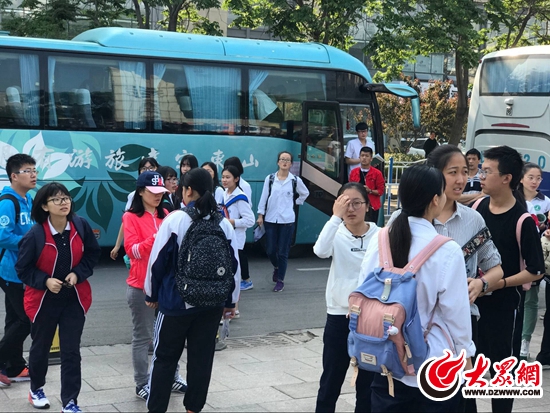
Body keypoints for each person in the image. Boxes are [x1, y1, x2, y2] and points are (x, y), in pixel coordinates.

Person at [361, 165, 475, 411]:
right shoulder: (446, 249)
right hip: (435, 366)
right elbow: (456, 313)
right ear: (435, 200)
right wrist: (466, 353)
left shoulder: (380, 239)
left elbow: (364, 290)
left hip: (387, 360)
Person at [144, 167, 240, 413]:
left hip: (176, 303)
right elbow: (234, 266)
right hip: (212, 304)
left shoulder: (176, 219)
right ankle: (193, 409)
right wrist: (230, 302)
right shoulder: (223, 224)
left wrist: (151, 295)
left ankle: (157, 409)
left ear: (187, 191)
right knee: (201, 360)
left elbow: (157, 261)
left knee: (164, 359)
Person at [15, 182, 101, 412]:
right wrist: (45, 281)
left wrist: (78, 273)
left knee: (71, 350)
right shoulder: (35, 234)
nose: (63, 203)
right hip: (43, 301)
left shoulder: (80, 225)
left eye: (66, 198)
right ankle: (36, 388)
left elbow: (92, 254)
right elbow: (22, 268)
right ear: (44, 206)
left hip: (74, 298)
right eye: (56, 199)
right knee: (41, 347)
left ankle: (70, 401)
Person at [473, 146, 545, 413]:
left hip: (505, 309)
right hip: (472, 305)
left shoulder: (523, 221)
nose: (480, 176)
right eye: (481, 170)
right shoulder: (477, 208)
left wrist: (498, 283)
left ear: (507, 178)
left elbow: (536, 271)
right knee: (469, 369)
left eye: (487, 171)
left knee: (502, 373)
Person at [313, 182, 379, 413]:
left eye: (357, 203)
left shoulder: (380, 236)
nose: (351, 209)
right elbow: (320, 251)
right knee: (331, 379)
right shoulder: (336, 232)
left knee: (367, 383)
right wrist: (334, 217)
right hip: (339, 315)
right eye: (345, 203)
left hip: (370, 318)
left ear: (367, 206)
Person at [122, 171, 186, 401]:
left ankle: (173, 376)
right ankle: (142, 382)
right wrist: (158, 237)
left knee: (170, 335)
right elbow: (133, 251)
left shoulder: (166, 214)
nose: (158, 196)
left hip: (166, 286)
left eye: (161, 192)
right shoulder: (130, 217)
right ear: (140, 192)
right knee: (142, 337)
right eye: (153, 192)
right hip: (140, 286)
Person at [0, 153, 36, 387]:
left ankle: (13, 366)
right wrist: (31, 243)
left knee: (14, 318)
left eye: (34, 170)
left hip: (23, 269)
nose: (33, 175)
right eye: (27, 171)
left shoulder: (28, 199)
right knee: (26, 320)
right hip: (11, 270)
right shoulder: (7, 202)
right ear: (14, 176)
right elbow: (3, 236)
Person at [257, 151, 309, 292]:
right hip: (270, 219)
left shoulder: (295, 180)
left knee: (283, 252)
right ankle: (276, 267)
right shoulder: (270, 179)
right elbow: (264, 197)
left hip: (287, 220)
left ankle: (280, 280)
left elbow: (305, 193)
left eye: (287, 160)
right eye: (282, 159)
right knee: (270, 250)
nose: (285, 162)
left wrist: (296, 202)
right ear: (278, 162)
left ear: (291, 164)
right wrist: (260, 215)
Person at [518, 163, 550, 360]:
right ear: (521, 178)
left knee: (531, 301)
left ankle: (524, 342)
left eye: (538, 178)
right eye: (531, 177)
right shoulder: (513, 199)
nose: (535, 181)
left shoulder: (546, 202)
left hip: (535, 258)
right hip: (514, 255)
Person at [110, 157, 159, 260]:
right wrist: (117, 245)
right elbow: (125, 222)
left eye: (151, 167)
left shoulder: (164, 211)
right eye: (144, 168)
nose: (158, 195)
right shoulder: (132, 201)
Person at [221, 165, 255, 291]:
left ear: (236, 179)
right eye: (223, 177)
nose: (224, 180)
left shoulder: (240, 197)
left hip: (237, 236)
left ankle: (244, 282)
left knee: (237, 260)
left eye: (228, 177)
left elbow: (250, 220)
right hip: (226, 235)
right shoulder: (224, 193)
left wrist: (232, 222)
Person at [348, 146, 385, 223]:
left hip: (372, 206)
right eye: (362, 156)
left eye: (367, 156)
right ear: (359, 157)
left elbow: (381, 191)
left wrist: (370, 190)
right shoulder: (354, 172)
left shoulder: (377, 173)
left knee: (370, 226)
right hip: (357, 205)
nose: (364, 158)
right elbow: (350, 188)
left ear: (371, 158)